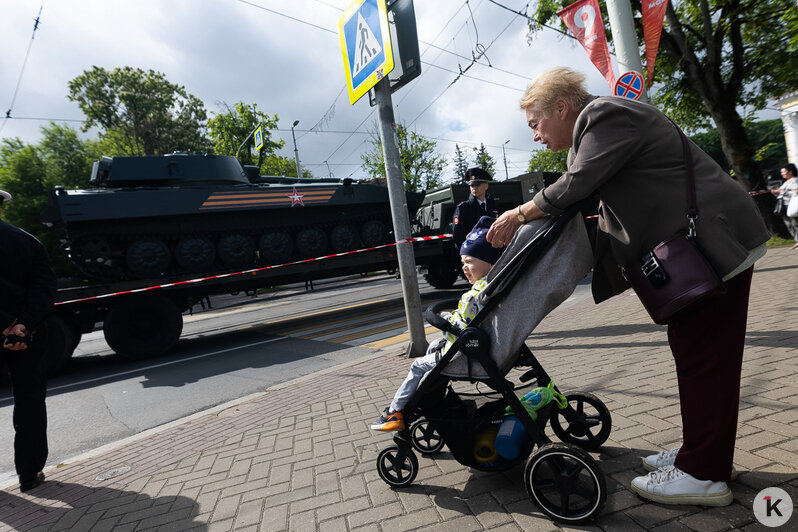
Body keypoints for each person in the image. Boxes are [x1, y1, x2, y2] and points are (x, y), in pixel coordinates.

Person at [486, 67, 770, 507]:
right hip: (706, 245)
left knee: (704, 359)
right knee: (700, 356)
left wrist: (519, 213)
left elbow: (579, 184)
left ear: (562, 107)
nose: (536, 136)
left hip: (714, 244)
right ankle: (704, 453)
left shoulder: (603, 115)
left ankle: (705, 474)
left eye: (536, 123)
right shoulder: (598, 129)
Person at [371, 216, 505, 431]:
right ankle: (427, 401)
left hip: (465, 353)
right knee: (433, 347)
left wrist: (446, 319)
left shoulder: (474, 296)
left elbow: (464, 325)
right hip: (468, 348)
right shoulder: (488, 288)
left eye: (470, 261)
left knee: (417, 366)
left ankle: (395, 411)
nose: (465, 268)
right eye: (462, 263)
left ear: (490, 262)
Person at [0, 189, 58, 493]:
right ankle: (28, 474)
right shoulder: (27, 241)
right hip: (27, 336)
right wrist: (22, 325)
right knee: (30, 401)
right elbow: (46, 288)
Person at [452, 168, 500, 249]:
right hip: (474, 252)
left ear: (486, 186)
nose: (474, 188)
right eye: (472, 185)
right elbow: (458, 237)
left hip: (493, 250)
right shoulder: (463, 208)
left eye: (477, 185)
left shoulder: (493, 205)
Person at [770, 162, 798, 249]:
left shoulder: (795, 180)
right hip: (783, 206)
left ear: (790, 172)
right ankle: (796, 240)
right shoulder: (785, 182)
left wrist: (782, 191)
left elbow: (796, 192)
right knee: (788, 224)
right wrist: (776, 192)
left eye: (783, 172)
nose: (782, 174)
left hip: (792, 206)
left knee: (795, 224)